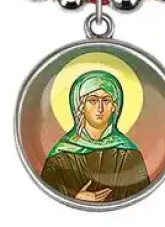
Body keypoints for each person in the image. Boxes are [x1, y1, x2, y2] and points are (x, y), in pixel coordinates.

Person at [41, 70, 150, 203]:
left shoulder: (129, 155)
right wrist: (75, 198)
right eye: (93, 100)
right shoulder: (59, 157)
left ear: (114, 107)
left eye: (106, 100)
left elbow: (143, 201)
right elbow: (44, 199)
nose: (100, 108)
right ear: (80, 106)